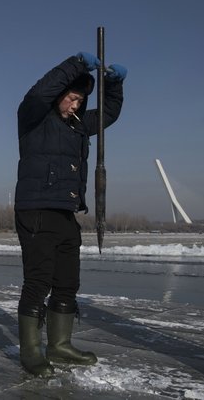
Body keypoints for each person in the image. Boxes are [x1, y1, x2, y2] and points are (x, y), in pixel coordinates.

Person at [15, 52, 126, 376]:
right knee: (38, 281)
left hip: (65, 211)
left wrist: (114, 86)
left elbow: (108, 113)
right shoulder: (34, 117)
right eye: (72, 98)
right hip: (35, 209)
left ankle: (59, 345)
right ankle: (31, 351)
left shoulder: (78, 126)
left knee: (67, 282)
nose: (76, 105)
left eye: (80, 100)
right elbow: (38, 93)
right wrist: (76, 64)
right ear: (61, 94)